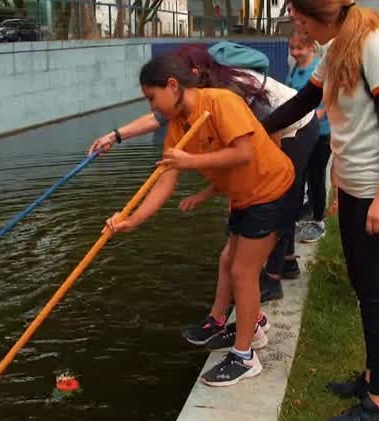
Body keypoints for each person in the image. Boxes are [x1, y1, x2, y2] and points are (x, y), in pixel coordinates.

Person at [261, 0, 379, 421]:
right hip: (354, 188)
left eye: (300, 16)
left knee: (378, 296)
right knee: (364, 289)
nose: (297, 25)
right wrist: (258, 127)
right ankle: (373, 377)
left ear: (321, 14)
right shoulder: (336, 48)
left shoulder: (375, 44)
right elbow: (304, 102)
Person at [105, 53, 294, 387]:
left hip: (271, 189)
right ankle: (250, 324)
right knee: (228, 260)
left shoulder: (222, 102)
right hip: (243, 196)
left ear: (173, 86)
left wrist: (189, 161)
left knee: (242, 270)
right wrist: (132, 220)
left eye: (152, 97)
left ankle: (244, 357)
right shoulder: (178, 125)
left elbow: (244, 153)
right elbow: (165, 181)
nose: (153, 107)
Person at [90, 43, 317, 311]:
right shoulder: (183, 110)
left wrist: (238, 191)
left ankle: (274, 276)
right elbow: (161, 126)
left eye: (152, 97)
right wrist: (116, 138)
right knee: (233, 256)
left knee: (258, 241)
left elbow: (257, 147)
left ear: (186, 77)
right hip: (254, 161)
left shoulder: (226, 96)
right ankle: (225, 317)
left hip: (293, 128)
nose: (152, 105)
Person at [286, 29, 330, 244]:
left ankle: (319, 218)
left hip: (320, 132)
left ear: (312, 47)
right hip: (298, 131)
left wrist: (316, 117)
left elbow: (331, 98)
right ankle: (302, 211)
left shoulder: (320, 68)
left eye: (299, 48)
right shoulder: (295, 68)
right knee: (298, 174)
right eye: (292, 48)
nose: (295, 52)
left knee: (316, 174)